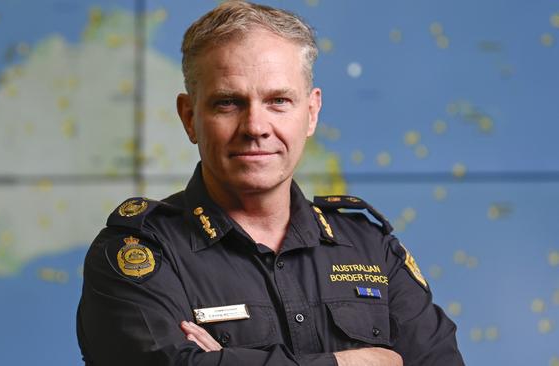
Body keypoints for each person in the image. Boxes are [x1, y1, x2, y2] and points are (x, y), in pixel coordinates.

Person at [76, 1, 464, 365]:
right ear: (189, 117)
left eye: (278, 101)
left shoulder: (369, 247)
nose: (256, 127)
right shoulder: (138, 253)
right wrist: (341, 363)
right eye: (228, 102)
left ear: (311, 113)